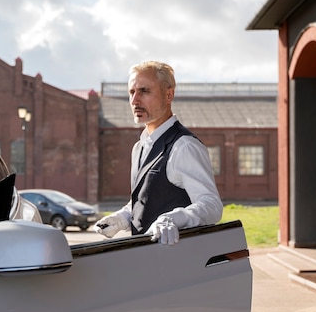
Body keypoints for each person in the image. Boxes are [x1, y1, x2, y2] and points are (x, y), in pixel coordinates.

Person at [95, 61, 223, 245]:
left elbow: (211, 205)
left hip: (176, 262)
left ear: (168, 94)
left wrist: (174, 219)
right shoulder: (139, 147)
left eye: (144, 91)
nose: (135, 100)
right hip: (143, 258)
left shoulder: (184, 146)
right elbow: (146, 199)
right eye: (132, 92)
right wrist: (123, 217)